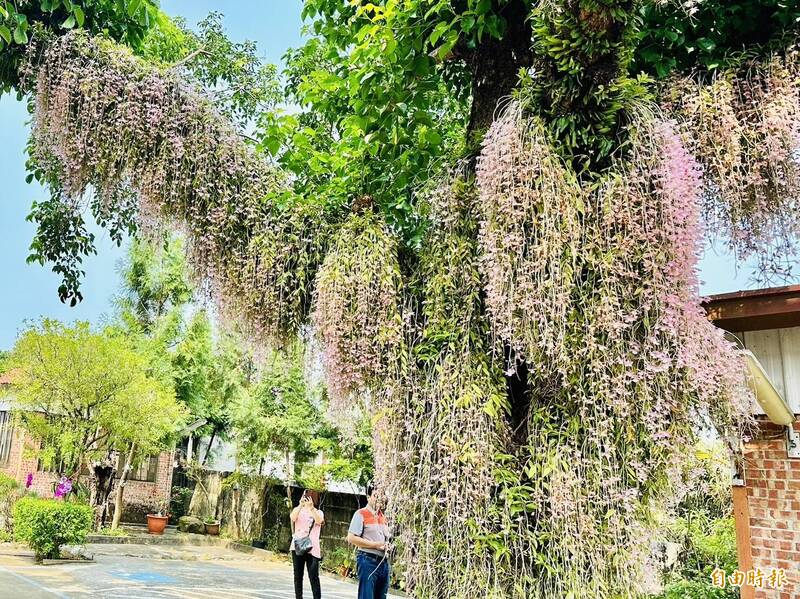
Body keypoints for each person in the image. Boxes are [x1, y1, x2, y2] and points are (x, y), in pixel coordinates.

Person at [346, 483, 391, 599]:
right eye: (376, 496)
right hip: (368, 560)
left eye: (381, 497)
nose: (379, 499)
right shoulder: (361, 514)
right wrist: (375, 545)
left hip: (383, 563)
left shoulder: (383, 517)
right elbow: (351, 538)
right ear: (368, 497)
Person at [290, 489, 325, 599]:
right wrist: (300, 505)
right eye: (304, 496)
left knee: (314, 576)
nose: (304, 498)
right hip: (298, 546)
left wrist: (311, 509)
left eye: (307, 497)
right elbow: (292, 517)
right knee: (298, 576)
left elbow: (319, 521)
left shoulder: (318, 512)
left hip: (312, 548)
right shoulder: (298, 510)